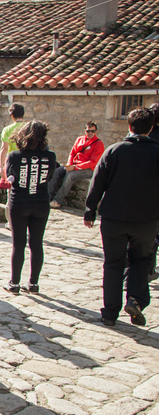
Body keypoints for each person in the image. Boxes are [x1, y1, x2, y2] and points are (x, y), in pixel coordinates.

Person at [84, 107, 159, 327]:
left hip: (113, 219)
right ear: (151, 127)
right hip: (146, 220)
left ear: (129, 126)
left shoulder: (114, 151)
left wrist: (90, 210)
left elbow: (97, 183)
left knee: (113, 263)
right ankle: (135, 299)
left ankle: (109, 313)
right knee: (141, 259)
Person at [4, 120, 56, 294]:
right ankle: (33, 283)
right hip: (41, 202)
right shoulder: (50, 156)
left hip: (19, 201)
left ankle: (14, 283)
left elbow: (10, 176)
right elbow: (49, 177)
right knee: (37, 244)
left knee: (18, 244)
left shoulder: (15, 156)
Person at [48, 121, 104, 208]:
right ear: (85, 131)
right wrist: (69, 164)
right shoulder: (80, 139)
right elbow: (72, 153)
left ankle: (58, 201)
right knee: (56, 172)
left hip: (87, 169)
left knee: (70, 176)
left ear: (96, 132)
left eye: (92, 131)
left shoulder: (98, 144)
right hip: (74, 165)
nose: (90, 133)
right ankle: (48, 198)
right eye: (88, 131)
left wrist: (75, 167)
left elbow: (92, 162)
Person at [0, 103, 25, 176]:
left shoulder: (7, 130)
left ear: (12, 115)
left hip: (13, 161)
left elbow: (4, 148)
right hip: (27, 160)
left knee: (11, 184)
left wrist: (1, 166)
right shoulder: (29, 128)